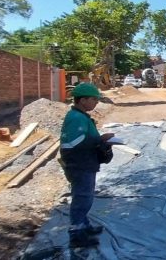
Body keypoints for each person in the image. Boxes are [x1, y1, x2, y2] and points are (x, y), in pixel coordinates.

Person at [60, 83, 115, 248]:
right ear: (82, 100)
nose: (96, 102)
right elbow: (75, 142)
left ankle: (85, 227)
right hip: (80, 165)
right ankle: (77, 235)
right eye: (93, 99)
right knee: (82, 199)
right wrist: (101, 139)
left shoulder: (80, 116)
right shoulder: (76, 118)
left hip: (84, 163)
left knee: (85, 197)